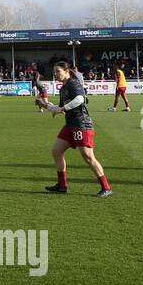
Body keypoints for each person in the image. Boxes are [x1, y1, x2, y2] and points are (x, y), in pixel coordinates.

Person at [40, 60, 112, 197]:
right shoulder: (63, 89)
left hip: (81, 124)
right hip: (70, 125)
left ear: (66, 72)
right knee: (56, 151)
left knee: (88, 157)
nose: (55, 74)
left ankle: (106, 188)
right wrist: (45, 105)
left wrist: (63, 108)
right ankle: (62, 185)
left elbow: (80, 99)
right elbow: (59, 108)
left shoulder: (73, 83)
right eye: (54, 72)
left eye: (58, 71)